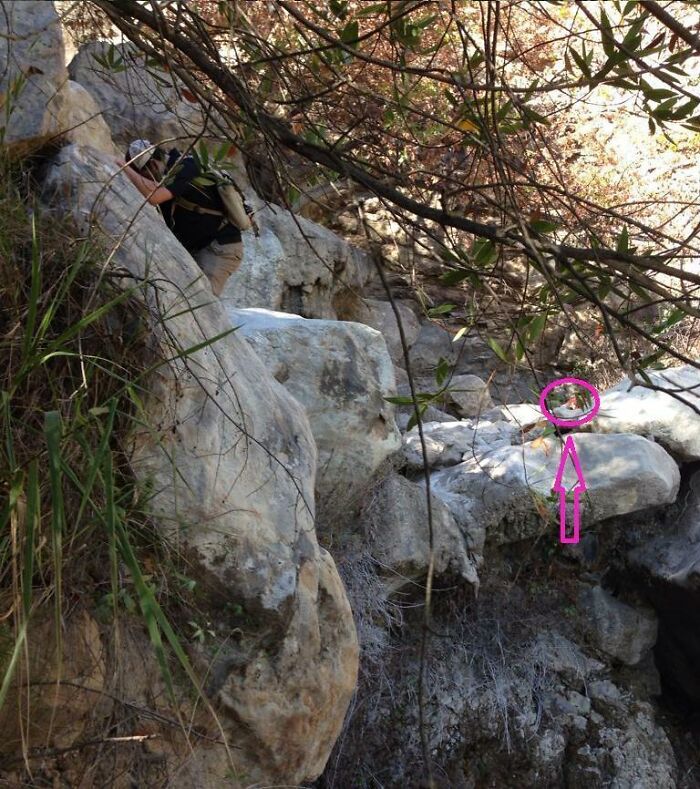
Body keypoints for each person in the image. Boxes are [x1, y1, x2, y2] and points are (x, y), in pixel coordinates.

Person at [119, 139, 255, 296]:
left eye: (144, 176)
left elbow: (154, 196)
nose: (146, 181)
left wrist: (122, 167)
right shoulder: (169, 174)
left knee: (202, 302)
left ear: (154, 166)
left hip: (219, 249)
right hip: (197, 249)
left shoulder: (186, 167)